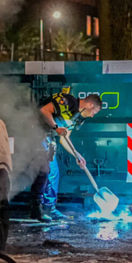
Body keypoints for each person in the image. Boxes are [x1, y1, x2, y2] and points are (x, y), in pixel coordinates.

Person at [36, 89, 103, 221]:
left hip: (48, 138)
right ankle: (46, 209)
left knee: (53, 172)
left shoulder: (76, 118)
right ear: (90, 105)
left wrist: (77, 155)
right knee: (51, 171)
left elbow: (64, 139)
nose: (92, 116)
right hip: (36, 133)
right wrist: (56, 127)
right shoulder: (67, 102)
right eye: (94, 112)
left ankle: (48, 208)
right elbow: (44, 110)